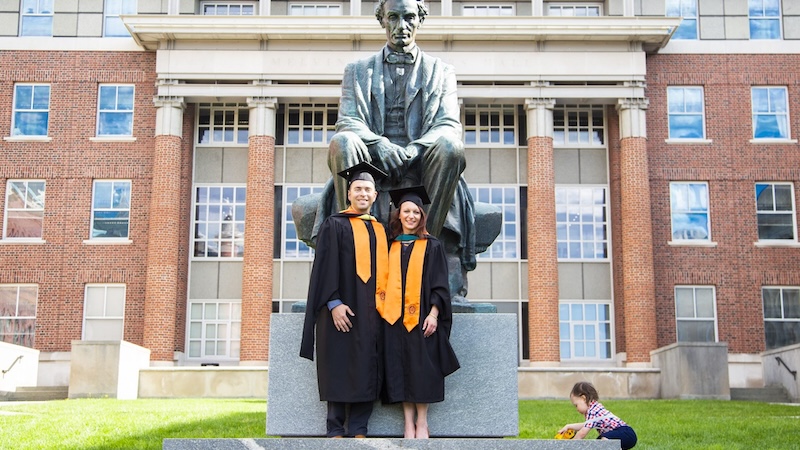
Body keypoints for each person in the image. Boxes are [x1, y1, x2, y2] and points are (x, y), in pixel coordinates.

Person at [311, 0, 478, 299]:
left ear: (420, 20)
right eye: (394, 17)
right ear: (382, 21)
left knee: (451, 147)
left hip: (421, 162)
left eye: (409, 17)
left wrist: (415, 148)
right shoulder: (357, 71)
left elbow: (448, 124)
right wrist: (379, 144)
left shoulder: (441, 71)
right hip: (372, 162)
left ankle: (426, 247)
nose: (402, 26)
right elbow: (348, 121)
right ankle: (357, 246)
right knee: (343, 143)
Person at [300, 161, 390, 438]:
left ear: (375, 196)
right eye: (358, 188)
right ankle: (335, 428)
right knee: (338, 363)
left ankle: (360, 428)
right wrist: (333, 303)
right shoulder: (333, 225)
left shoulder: (381, 230)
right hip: (341, 308)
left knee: (369, 363)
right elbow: (324, 268)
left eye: (368, 189)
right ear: (349, 193)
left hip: (374, 310)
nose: (363, 193)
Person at [380, 185, 460, 439]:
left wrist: (434, 314)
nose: (411, 216)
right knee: (400, 368)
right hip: (393, 319)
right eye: (407, 211)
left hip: (422, 316)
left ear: (422, 216)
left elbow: (440, 284)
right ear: (399, 215)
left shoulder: (432, 246)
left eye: (416, 211)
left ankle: (422, 423)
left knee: (422, 368)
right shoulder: (389, 246)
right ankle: (407, 424)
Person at [558, 381, 637, 449]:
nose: (576, 409)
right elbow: (584, 425)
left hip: (625, 433)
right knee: (598, 444)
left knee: (603, 442)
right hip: (622, 434)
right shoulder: (593, 408)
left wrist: (571, 446)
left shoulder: (593, 411)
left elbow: (582, 433)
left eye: (576, 405)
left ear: (583, 398)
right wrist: (569, 426)